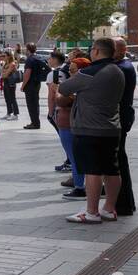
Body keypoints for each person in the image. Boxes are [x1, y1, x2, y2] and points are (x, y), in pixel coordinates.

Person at [58, 38, 124, 224]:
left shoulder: (91, 72)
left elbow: (64, 88)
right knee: (112, 170)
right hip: (112, 127)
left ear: (95, 51)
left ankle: (91, 212)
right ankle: (109, 209)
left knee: (92, 171)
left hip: (89, 128)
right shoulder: (118, 71)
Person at [56, 56, 88, 201]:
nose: (70, 72)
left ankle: (80, 186)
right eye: (69, 69)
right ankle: (79, 183)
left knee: (75, 157)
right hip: (68, 122)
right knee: (75, 157)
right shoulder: (76, 83)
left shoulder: (79, 84)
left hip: (71, 124)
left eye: (73, 70)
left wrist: (58, 92)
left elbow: (60, 99)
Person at [112, 37, 137, 216]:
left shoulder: (122, 68)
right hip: (122, 117)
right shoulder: (122, 66)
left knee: (118, 160)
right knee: (119, 159)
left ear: (121, 50)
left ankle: (123, 204)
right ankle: (125, 202)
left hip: (120, 118)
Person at [20, 42, 48, 129]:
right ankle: (36, 122)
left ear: (28, 50)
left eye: (25, 49)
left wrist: (23, 85)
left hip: (30, 84)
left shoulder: (30, 59)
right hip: (37, 83)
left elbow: (27, 73)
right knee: (35, 103)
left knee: (31, 104)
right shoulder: (39, 57)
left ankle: (35, 123)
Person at [1, 50, 20, 120]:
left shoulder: (12, 64)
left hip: (11, 82)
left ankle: (15, 114)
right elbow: (2, 73)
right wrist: (4, 73)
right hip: (5, 82)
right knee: (7, 98)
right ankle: (9, 113)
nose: (3, 57)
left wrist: (4, 73)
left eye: (4, 56)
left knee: (12, 98)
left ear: (9, 56)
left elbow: (5, 74)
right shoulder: (5, 63)